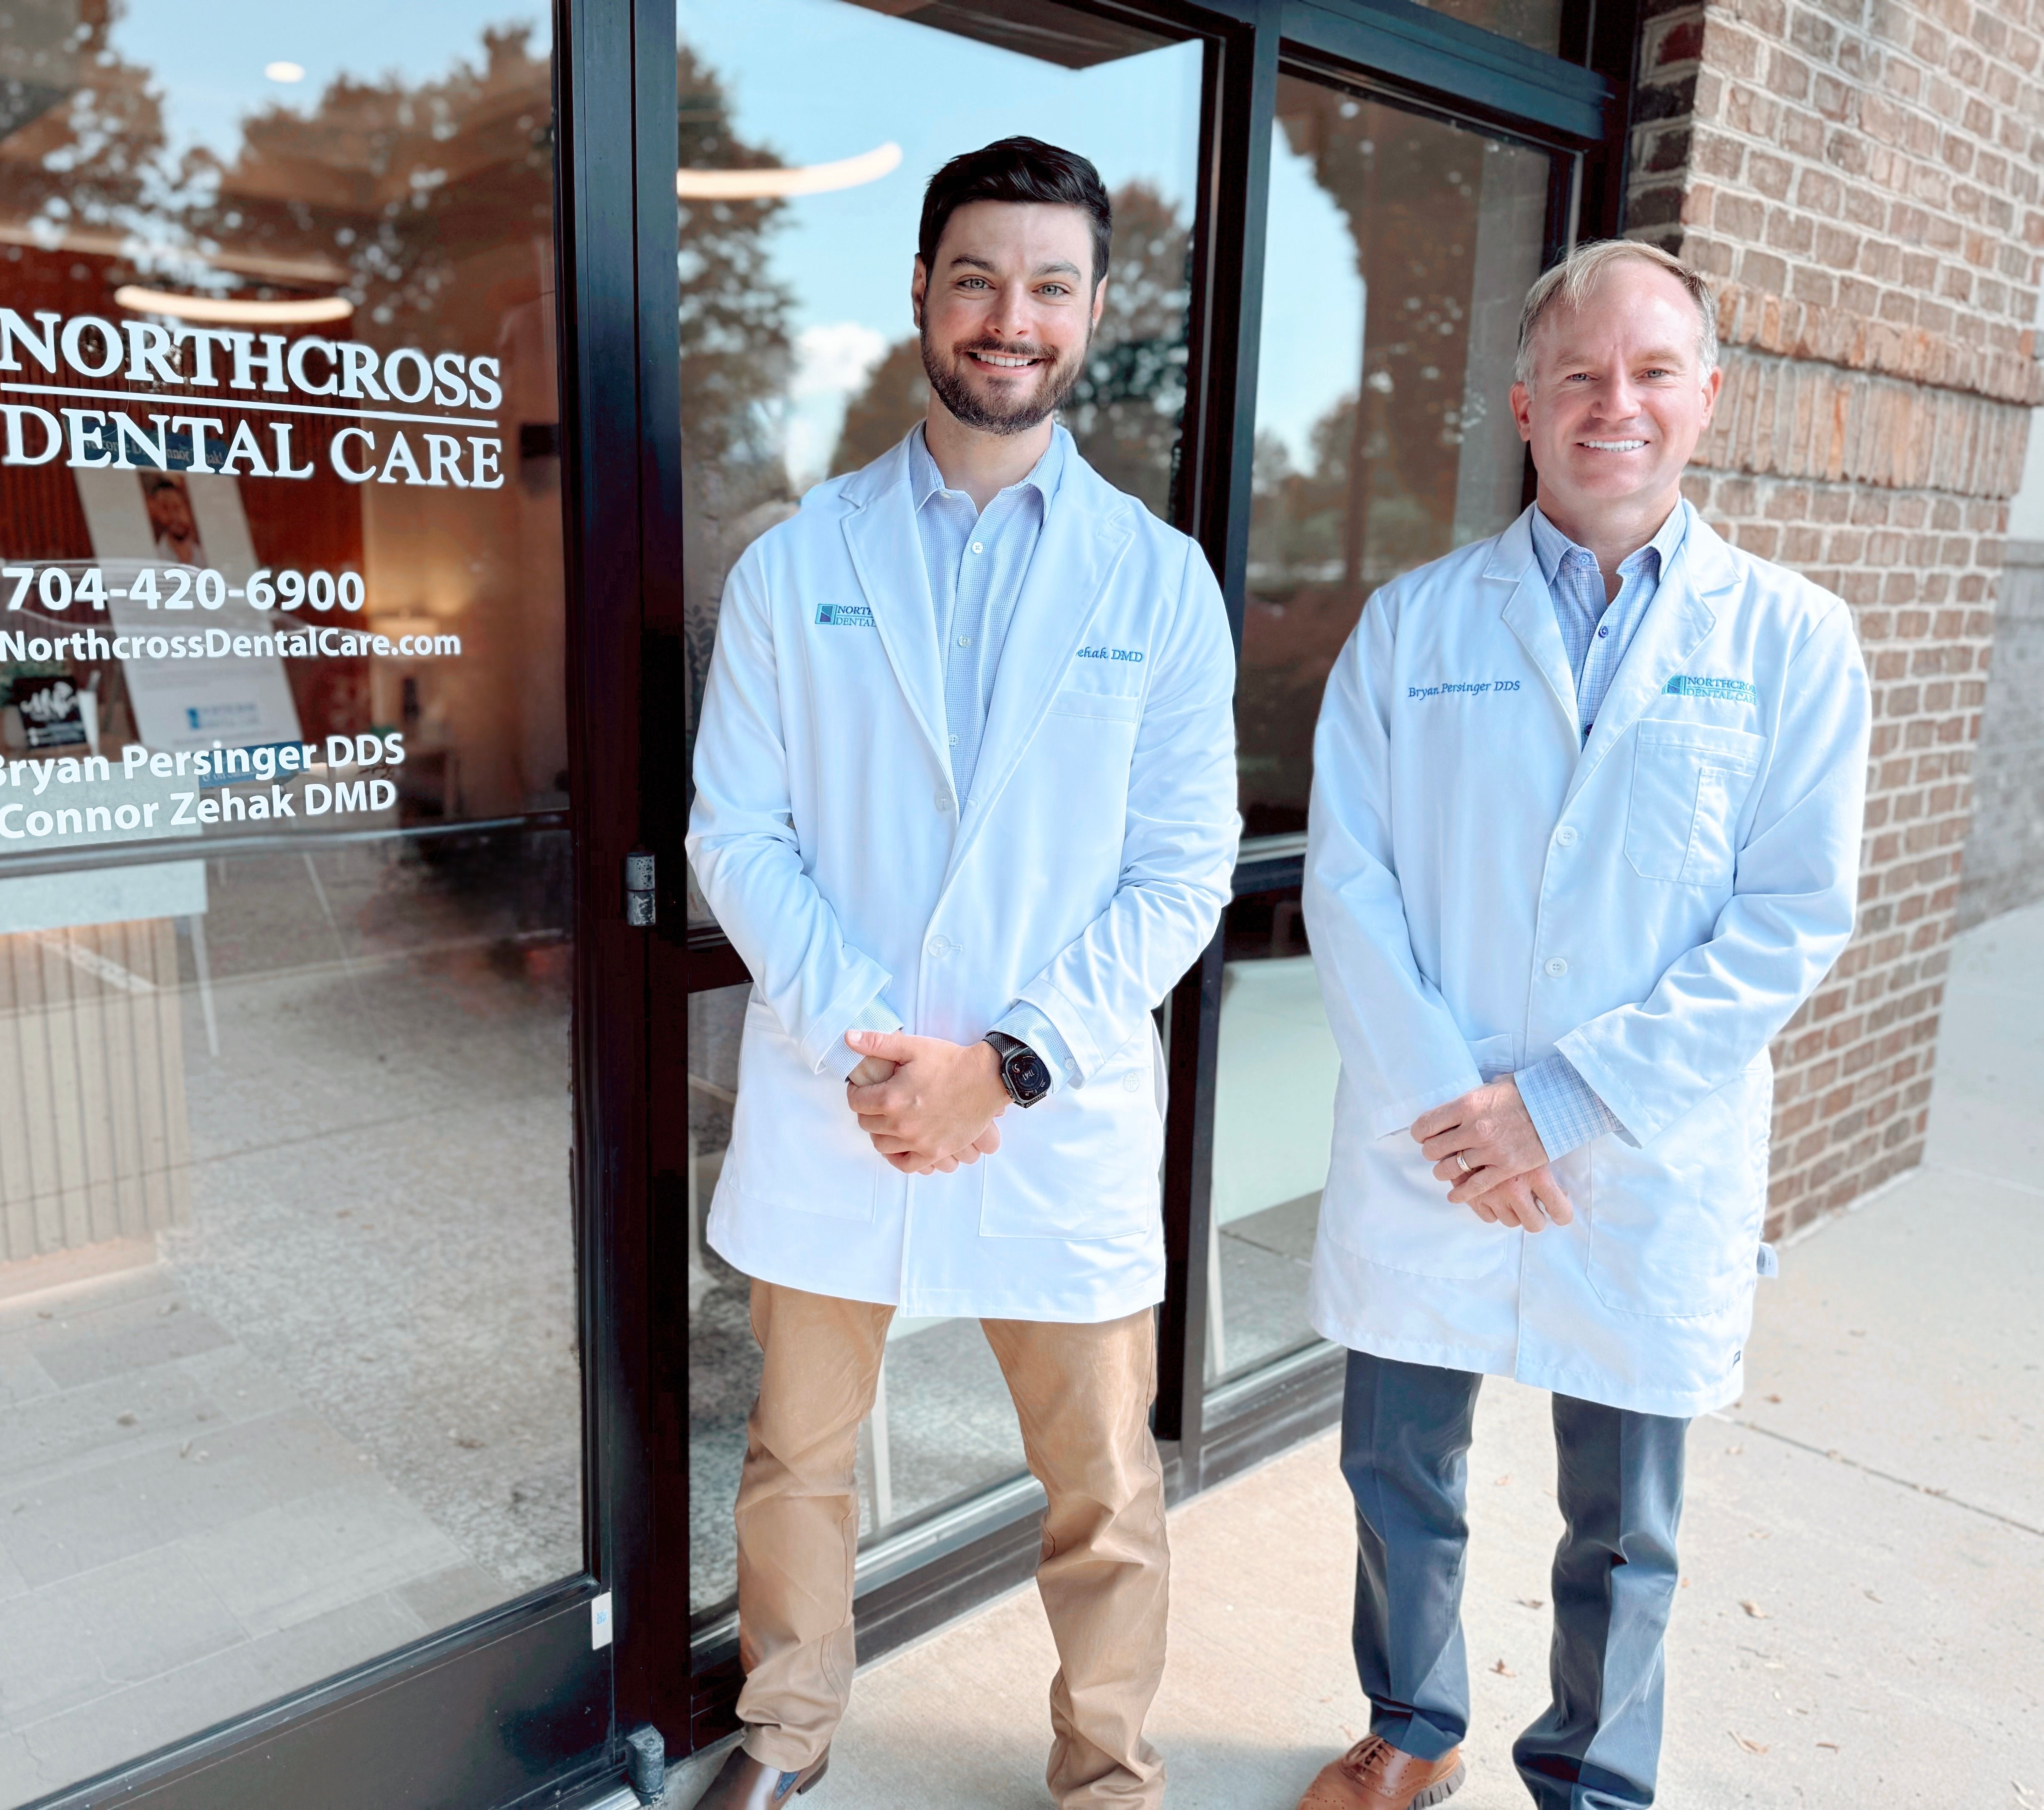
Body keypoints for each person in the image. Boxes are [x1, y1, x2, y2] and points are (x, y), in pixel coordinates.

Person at [685, 137, 1239, 1810]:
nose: (1014, 317)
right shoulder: (797, 563)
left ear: (1090, 314)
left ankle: (1109, 1769)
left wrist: (999, 1062)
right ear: (922, 292)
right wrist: (883, 1049)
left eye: (1051, 286)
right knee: (797, 1454)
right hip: (840, 1085)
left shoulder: (1159, 581)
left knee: (1102, 1481)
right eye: (979, 278)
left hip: (1042, 1105)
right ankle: (785, 1735)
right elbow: (741, 828)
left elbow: (1179, 873)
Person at [1293, 238, 1871, 1810]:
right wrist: (1459, 1111)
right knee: (1398, 1468)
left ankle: (1592, 1779)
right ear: (1525, 408)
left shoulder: (1793, 642)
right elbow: (1347, 885)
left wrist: (1558, 1102)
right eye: (1582, 376)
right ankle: (1412, 1725)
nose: (1618, 402)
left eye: (1654, 372)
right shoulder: (1415, 626)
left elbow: (1791, 918)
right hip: (1436, 1143)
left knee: (1626, 1518)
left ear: (1708, 401)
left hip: (1636, 1147)